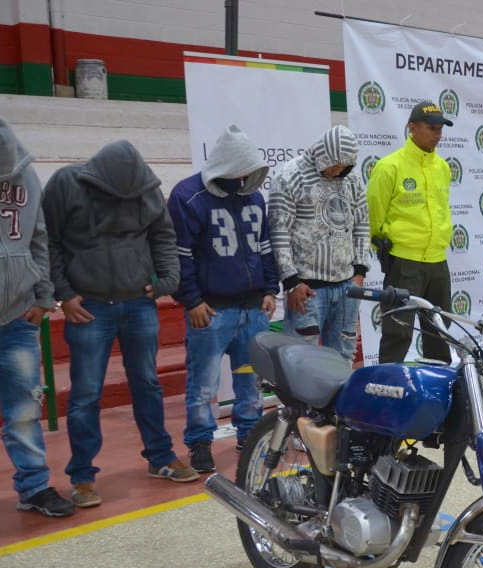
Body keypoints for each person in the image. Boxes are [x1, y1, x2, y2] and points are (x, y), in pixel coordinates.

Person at [45, 140, 190, 506]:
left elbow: (162, 235)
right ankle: (82, 476)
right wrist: (64, 294)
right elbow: (50, 242)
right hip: (89, 306)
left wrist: (167, 281)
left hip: (138, 303)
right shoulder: (65, 184)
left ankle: (160, 457)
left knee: (148, 384)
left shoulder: (146, 187)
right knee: (85, 394)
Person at [169, 125, 278, 472]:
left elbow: (265, 247)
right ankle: (200, 442)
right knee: (203, 383)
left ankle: (250, 434)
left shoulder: (254, 197)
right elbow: (180, 256)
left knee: (250, 379)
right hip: (211, 311)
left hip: (253, 309)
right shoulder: (187, 197)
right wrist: (191, 300)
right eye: (242, 168)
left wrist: (270, 289)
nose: (246, 176)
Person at [0, 118, 74, 517]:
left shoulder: (25, 173)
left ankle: (34, 487)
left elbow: (38, 237)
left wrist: (45, 296)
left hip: (17, 316)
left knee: (24, 410)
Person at [270, 125, 369, 363]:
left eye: (344, 167)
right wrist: (291, 282)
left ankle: (340, 391)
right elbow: (279, 231)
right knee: (302, 362)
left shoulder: (353, 179)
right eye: (335, 165)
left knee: (342, 358)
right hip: (307, 288)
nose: (338, 171)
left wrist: (359, 271)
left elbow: (362, 224)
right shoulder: (290, 176)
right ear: (324, 153)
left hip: (347, 286)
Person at [369, 102, 454, 364]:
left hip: (438, 261)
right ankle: (386, 384)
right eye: (431, 128)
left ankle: (439, 385)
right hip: (404, 263)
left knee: (439, 331)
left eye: (440, 129)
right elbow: (374, 216)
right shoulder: (389, 166)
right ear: (412, 128)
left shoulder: (442, 167)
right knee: (398, 332)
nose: (438, 134)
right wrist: (388, 249)